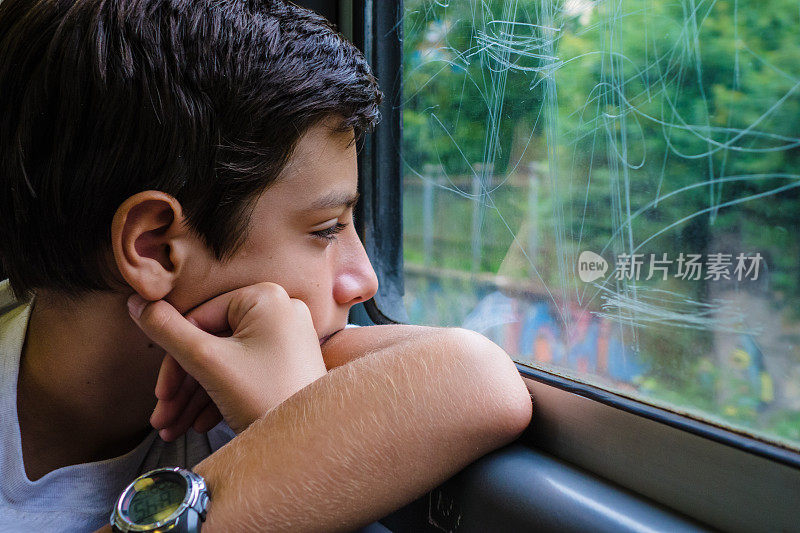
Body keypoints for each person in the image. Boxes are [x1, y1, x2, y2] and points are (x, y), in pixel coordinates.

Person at [0, 1, 533, 531]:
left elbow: (479, 377)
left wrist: (291, 413)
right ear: (156, 248)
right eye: (326, 230)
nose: (363, 280)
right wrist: (296, 442)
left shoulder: (255, 369)